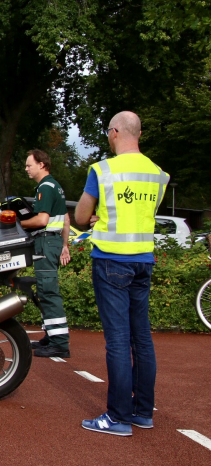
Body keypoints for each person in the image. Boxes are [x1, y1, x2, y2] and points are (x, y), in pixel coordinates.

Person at [75, 111, 169, 437]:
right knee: (141, 339)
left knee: (117, 341)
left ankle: (118, 417)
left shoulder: (102, 170)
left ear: (114, 132)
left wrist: (93, 216)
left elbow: (81, 214)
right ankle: (143, 412)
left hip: (111, 259)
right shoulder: (158, 174)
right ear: (138, 133)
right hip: (144, 260)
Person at [19, 150, 72, 359]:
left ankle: (59, 343)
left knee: (47, 290)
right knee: (46, 289)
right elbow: (66, 219)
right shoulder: (55, 186)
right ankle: (52, 335)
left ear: (41, 164)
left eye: (28, 165)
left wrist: (15, 223)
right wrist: (64, 245)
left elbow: (41, 221)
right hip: (53, 241)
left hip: (46, 241)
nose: (26, 169)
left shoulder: (45, 188)